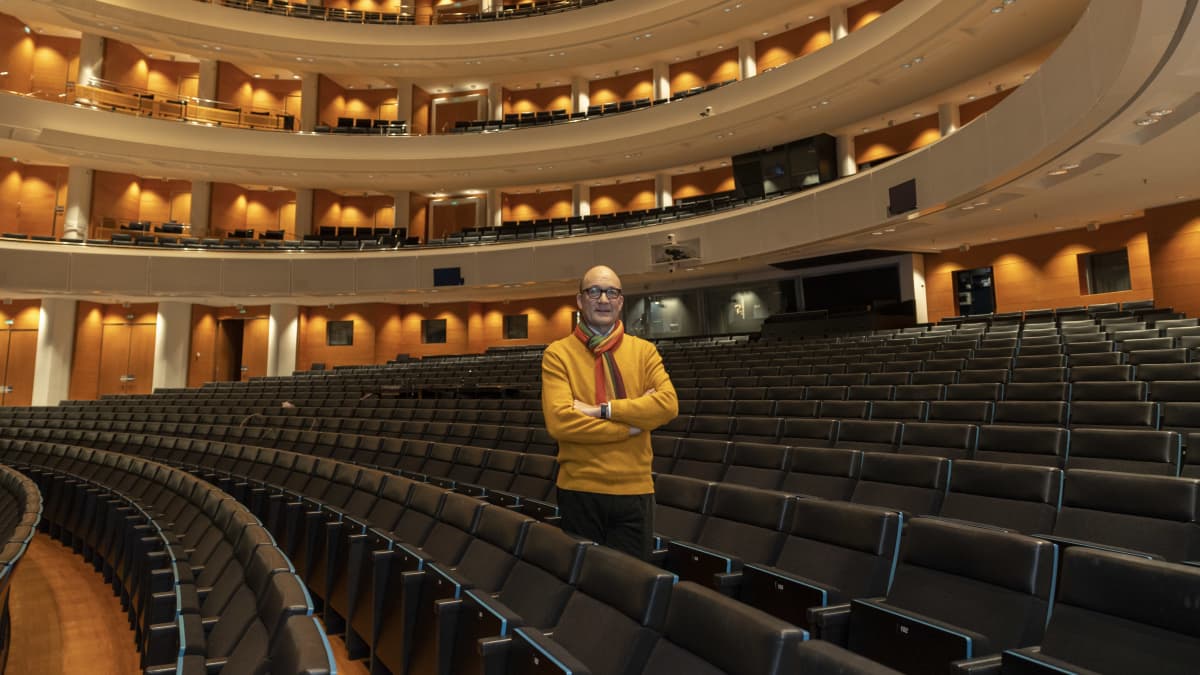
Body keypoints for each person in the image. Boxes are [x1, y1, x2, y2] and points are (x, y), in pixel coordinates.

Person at [541, 265, 678, 560]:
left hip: (635, 490)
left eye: (611, 292)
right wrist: (629, 426)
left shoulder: (645, 352)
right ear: (580, 301)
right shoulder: (557, 354)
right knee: (585, 587)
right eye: (594, 291)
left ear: (620, 301)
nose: (603, 299)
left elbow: (667, 405)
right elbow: (560, 423)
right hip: (580, 489)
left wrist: (600, 411)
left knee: (632, 587)